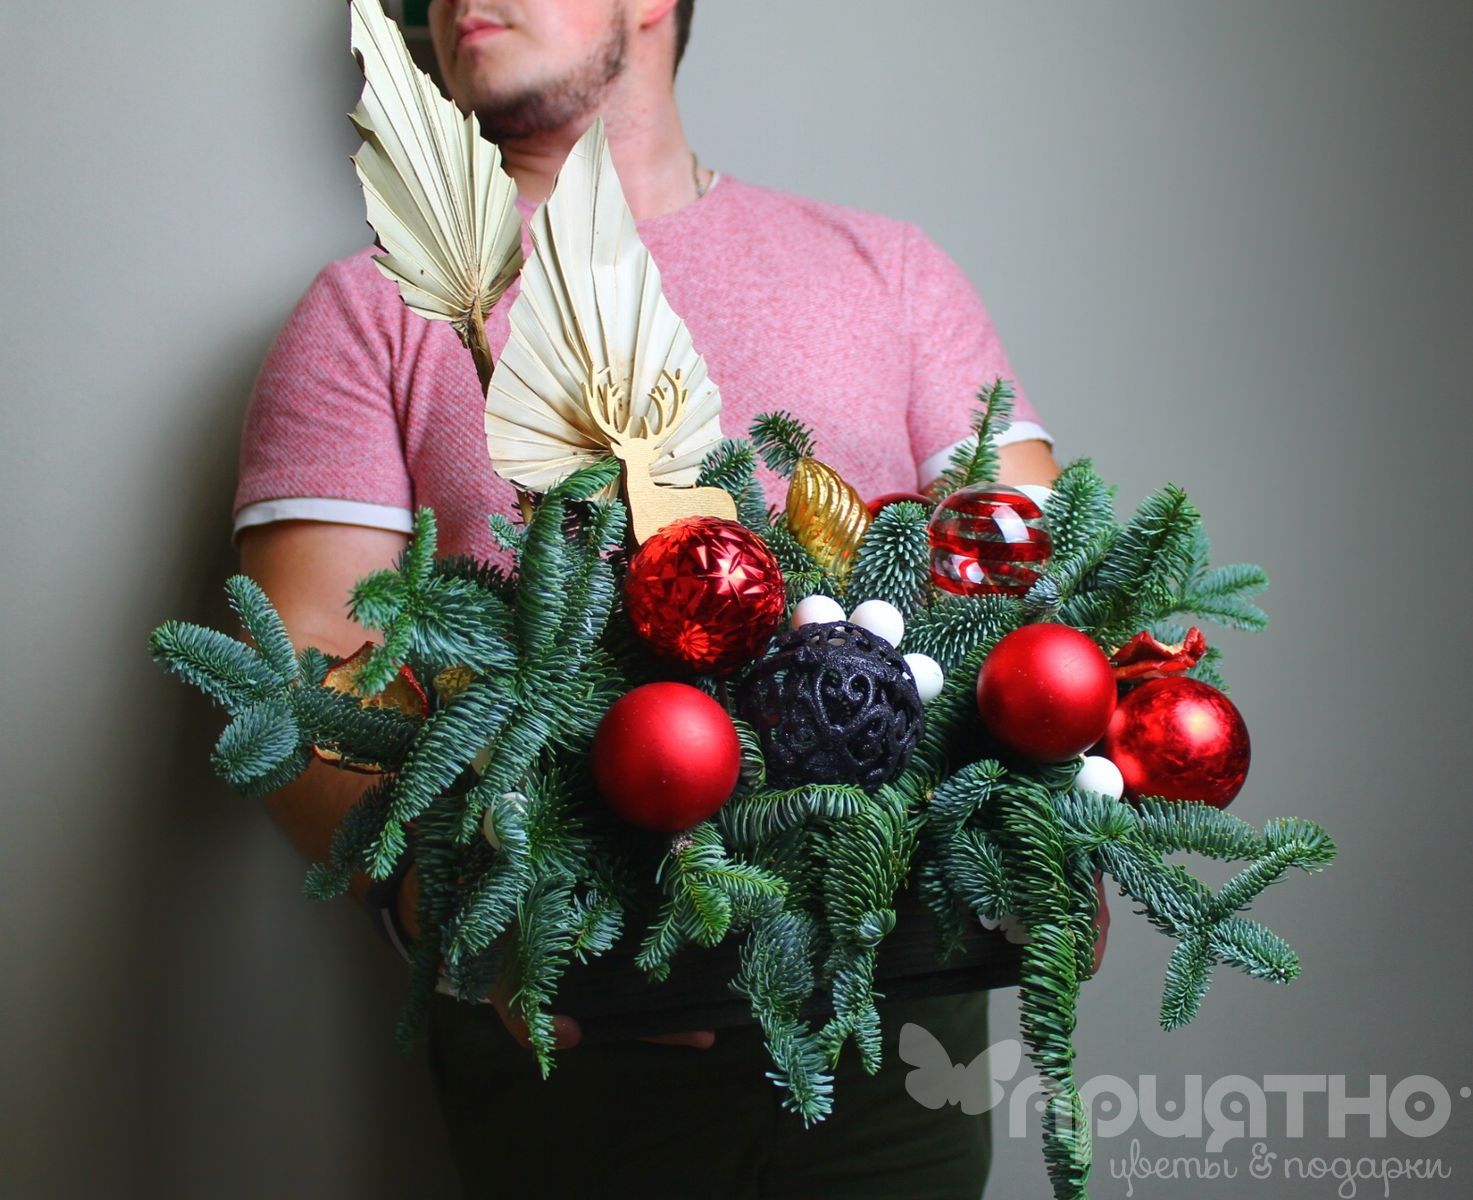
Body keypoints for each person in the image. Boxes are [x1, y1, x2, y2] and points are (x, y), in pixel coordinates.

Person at [237, 1, 1087, 1194]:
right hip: (577, 1057)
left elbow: (1044, 581)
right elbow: (303, 662)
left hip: (892, 1025)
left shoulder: (886, 271)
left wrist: (1063, 829)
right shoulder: (370, 308)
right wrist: (440, 899)